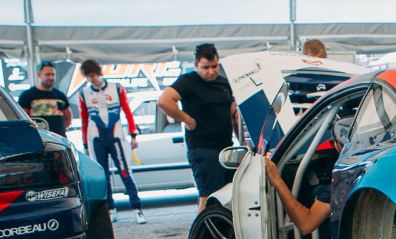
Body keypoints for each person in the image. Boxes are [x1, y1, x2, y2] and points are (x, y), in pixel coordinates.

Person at [157, 43, 237, 211]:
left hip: (226, 149)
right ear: (196, 65)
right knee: (208, 198)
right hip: (203, 149)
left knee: (229, 196)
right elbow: (164, 101)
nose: (211, 71)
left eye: (215, 66)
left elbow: (231, 111)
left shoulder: (223, 83)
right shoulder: (189, 81)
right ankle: (203, 237)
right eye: (205, 67)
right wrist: (187, 120)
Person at [77, 60, 145, 224]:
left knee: (125, 172)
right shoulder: (83, 93)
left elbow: (128, 112)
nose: (91, 79)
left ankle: (137, 209)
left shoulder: (116, 87)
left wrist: (133, 135)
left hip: (116, 136)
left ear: (99, 72)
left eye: (93, 75)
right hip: (96, 138)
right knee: (103, 175)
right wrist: (85, 145)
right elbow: (84, 120)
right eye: (88, 77)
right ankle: (111, 209)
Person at [18, 61, 73, 136]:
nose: (51, 77)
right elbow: (22, 119)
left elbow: (68, 118)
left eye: (53, 75)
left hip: (59, 140)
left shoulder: (60, 95)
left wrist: (60, 130)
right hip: (38, 140)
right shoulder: (27, 95)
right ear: (39, 75)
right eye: (47, 74)